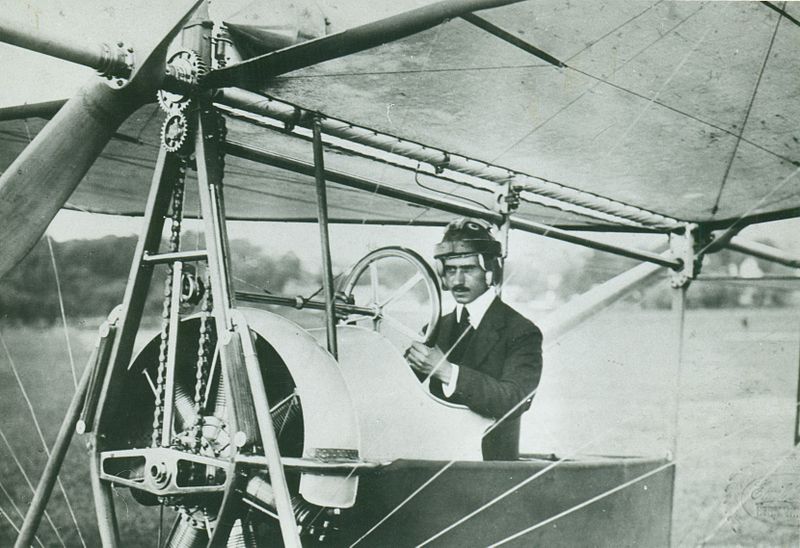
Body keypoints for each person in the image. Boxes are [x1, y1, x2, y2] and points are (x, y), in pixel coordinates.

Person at [405, 218, 543, 460]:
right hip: (434, 462)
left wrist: (447, 372)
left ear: (490, 272)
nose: (457, 281)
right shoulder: (435, 328)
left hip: (489, 472)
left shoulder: (522, 332)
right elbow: (401, 393)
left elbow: (514, 400)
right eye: (450, 270)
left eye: (468, 269)